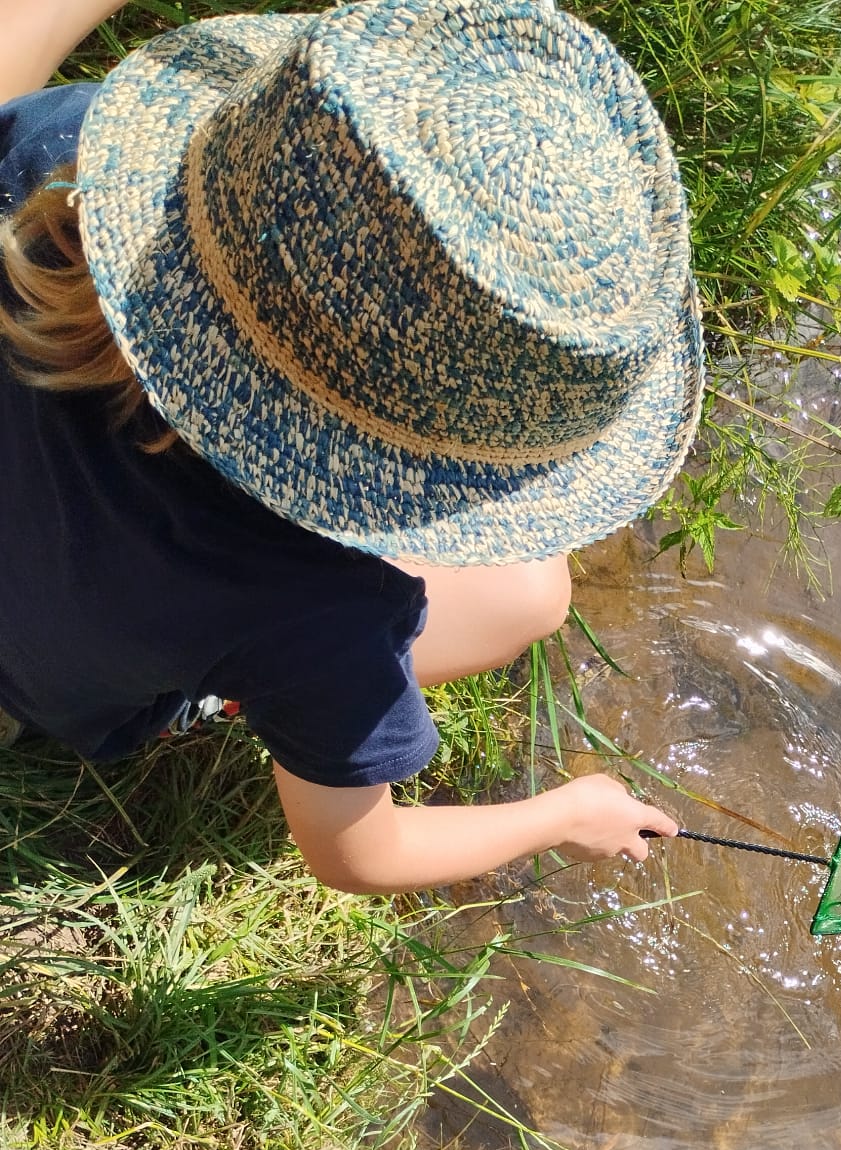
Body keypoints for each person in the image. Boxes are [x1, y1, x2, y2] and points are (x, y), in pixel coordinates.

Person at [0, 0, 693, 890]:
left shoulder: (52, 156)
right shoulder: (326, 610)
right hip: (38, 689)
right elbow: (360, 855)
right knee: (530, 594)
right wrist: (563, 815)